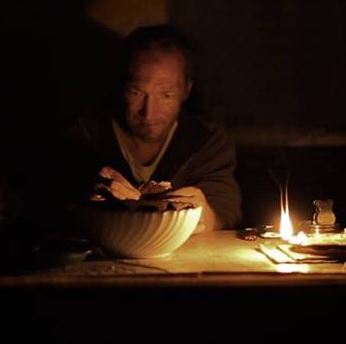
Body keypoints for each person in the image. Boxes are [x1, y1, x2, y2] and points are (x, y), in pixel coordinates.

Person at [65, 25, 242, 233]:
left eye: (166, 95)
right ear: (122, 87)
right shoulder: (83, 136)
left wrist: (208, 217)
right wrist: (87, 202)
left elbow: (225, 211)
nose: (149, 113)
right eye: (137, 93)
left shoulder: (206, 142)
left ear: (186, 90)